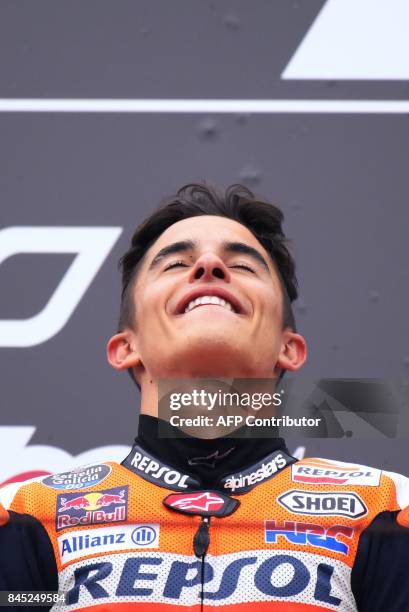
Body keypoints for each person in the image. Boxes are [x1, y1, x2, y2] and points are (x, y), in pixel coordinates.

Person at [1, 182, 409, 611]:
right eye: (177, 263)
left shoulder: (384, 512)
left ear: (289, 349)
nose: (211, 265)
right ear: (126, 347)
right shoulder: (30, 519)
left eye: (244, 266)